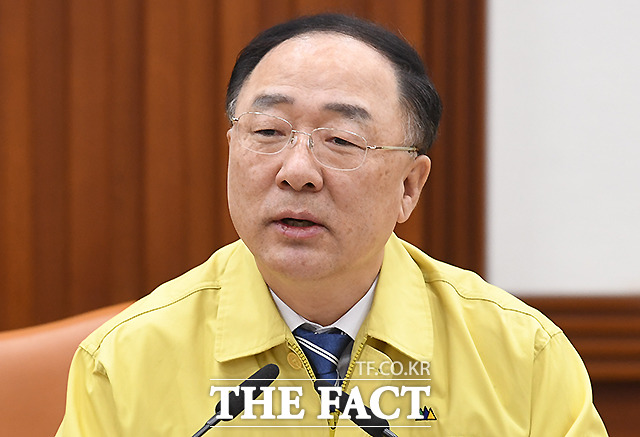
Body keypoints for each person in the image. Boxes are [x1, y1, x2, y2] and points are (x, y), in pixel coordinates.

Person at [56, 13, 607, 436]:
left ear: (409, 186)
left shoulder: (521, 356)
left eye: (341, 140)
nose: (297, 171)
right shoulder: (125, 361)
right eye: (268, 132)